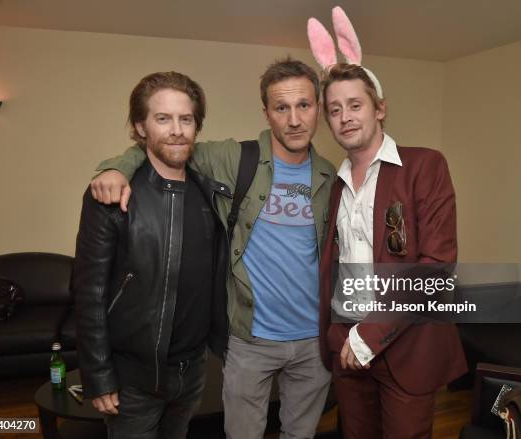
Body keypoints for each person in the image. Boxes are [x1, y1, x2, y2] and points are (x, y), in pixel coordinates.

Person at [87, 58, 336, 439]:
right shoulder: (235, 158)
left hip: (313, 341)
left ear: (317, 107)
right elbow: (166, 147)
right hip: (251, 339)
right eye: (281, 108)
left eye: (304, 105)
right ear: (266, 113)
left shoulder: (330, 176)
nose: (294, 119)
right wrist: (115, 168)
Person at [73, 70, 229, 439]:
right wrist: (98, 375)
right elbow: (89, 293)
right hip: (133, 378)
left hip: (193, 372)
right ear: (141, 127)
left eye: (185, 119)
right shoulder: (112, 196)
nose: (176, 129)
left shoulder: (210, 193)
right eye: (163, 118)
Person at [319, 62, 467, 438]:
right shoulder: (335, 186)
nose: (344, 117)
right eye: (334, 110)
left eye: (355, 105)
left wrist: (370, 333)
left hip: (407, 349)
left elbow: (435, 266)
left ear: (379, 108)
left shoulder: (424, 166)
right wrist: (339, 337)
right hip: (348, 350)